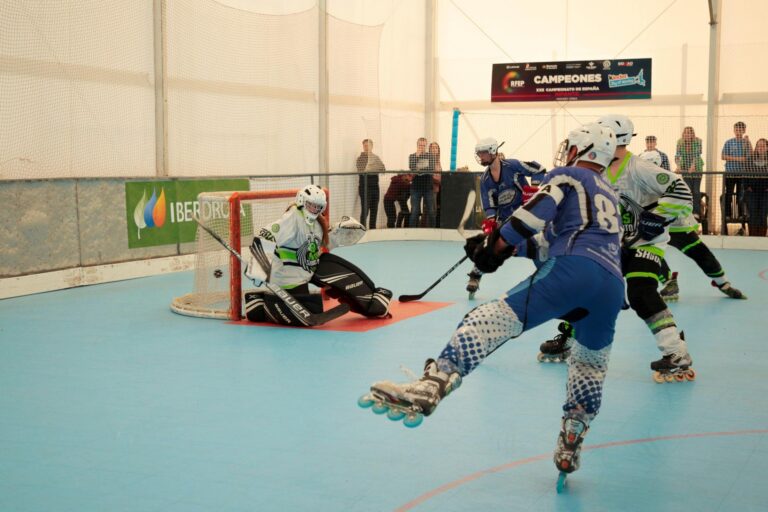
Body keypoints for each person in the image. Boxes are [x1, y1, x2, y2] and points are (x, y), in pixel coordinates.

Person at [360, 123, 623, 484]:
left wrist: (496, 245)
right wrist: (501, 247)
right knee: (589, 366)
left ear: (583, 149)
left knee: (487, 319)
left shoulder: (570, 176)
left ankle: (433, 382)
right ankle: (572, 434)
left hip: (573, 269)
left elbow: (533, 215)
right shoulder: (609, 194)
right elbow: (544, 242)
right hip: (610, 287)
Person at [540, 115, 696, 383]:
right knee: (584, 288)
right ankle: (569, 338)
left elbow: (681, 190)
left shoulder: (639, 168)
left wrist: (656, 216)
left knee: (641, 292)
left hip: (646, 243)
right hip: (614, 243)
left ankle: (676, 352)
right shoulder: (597, 171)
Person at [243, 185, 392, 326]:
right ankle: (259, 305)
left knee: (330, 264)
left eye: (318, 206)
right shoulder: (293, 216)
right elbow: (266, 235)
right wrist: (258, 267)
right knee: (312, 307)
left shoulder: (316, 224)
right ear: (301, 201)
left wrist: (335, 235)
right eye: (311, 205)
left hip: (306, 274)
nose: (314, 209)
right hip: (287, 279)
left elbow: (316, 249)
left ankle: (371, 303)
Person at [637, 151, 747, 301]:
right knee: (648, 253)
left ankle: (723, 284)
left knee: (700, 253)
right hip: (660, 227)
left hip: (677, 226)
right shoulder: (641, 182)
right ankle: (671, 282)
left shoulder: (667, 180)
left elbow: (685, 202)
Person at [465, 137, 546, 297]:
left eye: (483, 153)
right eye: (479, 154)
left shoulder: (513, 166)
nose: (480, 157)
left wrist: (534, 191)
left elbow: (539, 169)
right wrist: (490, 221)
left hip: (526, 215)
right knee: (488, 248)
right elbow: (489, 204)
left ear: (493, 151)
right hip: (505, 219)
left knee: (537, 246)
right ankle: (475, 276)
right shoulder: (485, 179)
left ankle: (546, 277)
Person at [721, 121, 752, 220]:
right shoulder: (729, 142)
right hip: (730, 173)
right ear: (734, 130)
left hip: (742, 173)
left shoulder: (746, 142)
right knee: (728, 194)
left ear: (744, 130)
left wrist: (748, 142)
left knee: (740, 195)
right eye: (736, 129)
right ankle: (728, 215)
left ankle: (740, 215)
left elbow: (751, 155)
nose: (738, 131)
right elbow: (723, 156)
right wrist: (738, 159)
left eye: (740, 130)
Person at [674, 126, 704, 217]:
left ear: (692, 134)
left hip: (697, 168)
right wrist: (678, 166)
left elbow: (696, 154)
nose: (687, 134)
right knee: (688, 190)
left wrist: (693, 166)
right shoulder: (680, 142)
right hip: (685, 168)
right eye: (685, 132)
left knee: (696, 191)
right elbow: (677, 155)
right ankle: (688, 212)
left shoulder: (697, 141)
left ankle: (696, 212)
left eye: (689, 133)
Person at [356, 139, 384, 229]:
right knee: (365, 211)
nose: (366, 147)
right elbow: (362, 171)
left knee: (374, 210)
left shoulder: (376, 158)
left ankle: (373, 230)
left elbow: (383, 169)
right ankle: (362, 230)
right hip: (364, 188)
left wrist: (370, 168)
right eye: (365, 146)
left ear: (372, 147)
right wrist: (374, 168)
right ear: (363, 147)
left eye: (368, 145)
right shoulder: (360, 158)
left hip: (375, 187)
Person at [408, 137, 436, 228]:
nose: (422, 147)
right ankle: (411, 232)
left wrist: (418, 170)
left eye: (424, 145)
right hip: (415, 188)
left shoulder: (430, 156)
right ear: (417, 145)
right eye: (420, 145)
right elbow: (412, 167)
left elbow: (431, 169)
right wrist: (417, 156)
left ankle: (433, 231)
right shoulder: (412, 156)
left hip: (428, 188)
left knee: (431, 211)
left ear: (426, 146)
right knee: (415, 211)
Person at [744, 138, 768, 237]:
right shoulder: (750, 160)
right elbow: (744, 175)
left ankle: (761, 238)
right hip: (752, 192)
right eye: (759, 145)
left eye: (763, 146)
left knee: (763, 214)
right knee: (753, 213)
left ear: (767, 147)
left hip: (766, 192)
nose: (761, 148)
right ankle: (753, 237)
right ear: (756, 147)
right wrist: (747, 187)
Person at [429, 142, 443, 227]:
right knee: (431, 210)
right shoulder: (429, 160)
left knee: (435, 209)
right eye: (432, 148)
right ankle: (430, 229)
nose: (434, 149)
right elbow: (429, 175)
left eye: (436, 148)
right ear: (430, 150)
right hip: (431, 189)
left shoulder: (438, 161)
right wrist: (438, 182)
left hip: (438, 189)